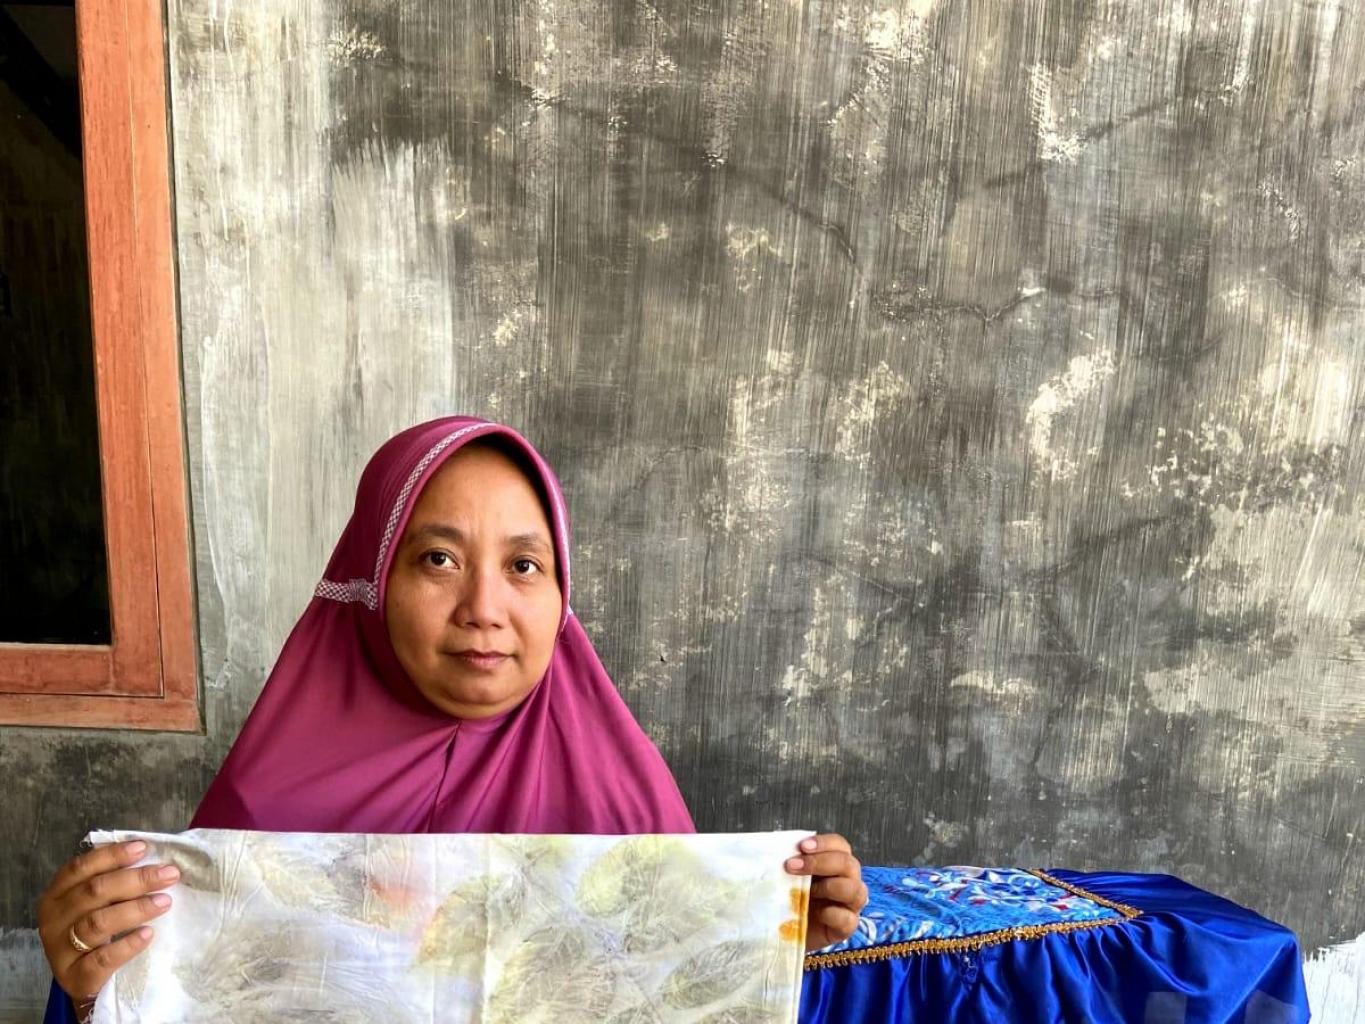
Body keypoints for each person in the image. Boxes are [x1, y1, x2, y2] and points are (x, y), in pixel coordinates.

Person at [37, 416, 868, 1020]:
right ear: (372, 580)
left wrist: (769, 935)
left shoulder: (625, 799)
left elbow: (674, 987)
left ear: (560, 592)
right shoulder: (261, 818)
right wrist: (94, 985)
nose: (483, 607)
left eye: (524, 565)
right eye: (437, 559)